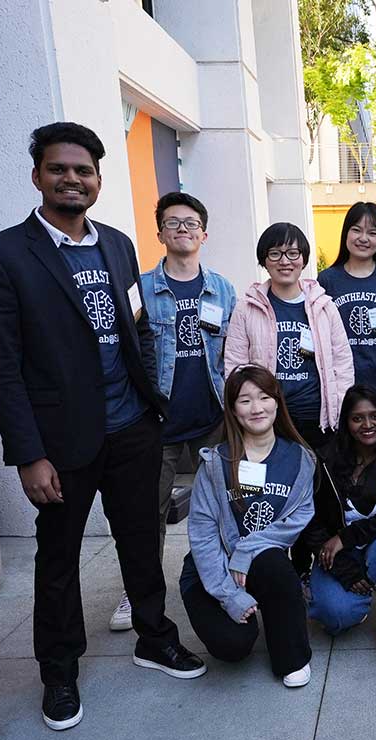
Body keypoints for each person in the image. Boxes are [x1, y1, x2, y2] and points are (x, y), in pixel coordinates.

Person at [0, 122, 204, 732]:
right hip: (61, 441)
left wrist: (153, 403)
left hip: (131, 426)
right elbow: (1, 366)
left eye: (84, 171)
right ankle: (59, 671)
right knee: (59, 558)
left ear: (98, 180)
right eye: (59, 169)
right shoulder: (1, 256)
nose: (72, 179)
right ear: (37, 176)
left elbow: (135, 326)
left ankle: (154, 637)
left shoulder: (118, 246)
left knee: (140, 539)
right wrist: (28, 454)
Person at [127, 192, 236, 634]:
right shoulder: (141, 290)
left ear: (204, 234)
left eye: (191, 224)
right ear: (159, 234)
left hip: (211, 420)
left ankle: (224, 575)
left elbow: (234, 352)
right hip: (158, 424)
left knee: (226, 506)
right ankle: (140, 591)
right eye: (173, 224)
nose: (183, 230)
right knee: (147, 512)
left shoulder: (223, 288)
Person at [181, 365, 316, 687]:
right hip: (212, 567)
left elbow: (297, 519)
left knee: (275, 565)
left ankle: (292, 657)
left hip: (261, 562)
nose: (256, 408)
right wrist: (228, 595)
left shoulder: (300, 459)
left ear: (277, 402)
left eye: (264, 397)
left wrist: (245, 550)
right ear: (232, 409)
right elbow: (203, 534)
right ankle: (247, 607)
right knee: (233, 645)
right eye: (244, 400)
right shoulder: (216, 462)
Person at [301, 385, 376, 653]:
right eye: (357, 418)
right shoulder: (327, 458)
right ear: (346, 422)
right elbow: (310, 521)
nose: (368, 425)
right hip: (341, 554)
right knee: (334, 616)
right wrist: (345, 569)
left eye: (375, 416)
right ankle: (353, 594)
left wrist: (347, 537)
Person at [224, 222, 354, 450]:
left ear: (303, 259)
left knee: (319, 479)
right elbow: (235, 366)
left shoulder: (324, 306)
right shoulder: (246, 308)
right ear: (264, 260)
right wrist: (245, 410)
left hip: (316, 416)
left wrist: (340, 409)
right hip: (267, 416)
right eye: (275, 254)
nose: (285, 261)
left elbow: (342, 363)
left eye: (293, 253)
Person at [318, 202, 376, 424]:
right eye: (356, 230)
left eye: (372, 233)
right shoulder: (327, 280)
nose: (364, 238)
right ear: (346, 233)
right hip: (344, 390)